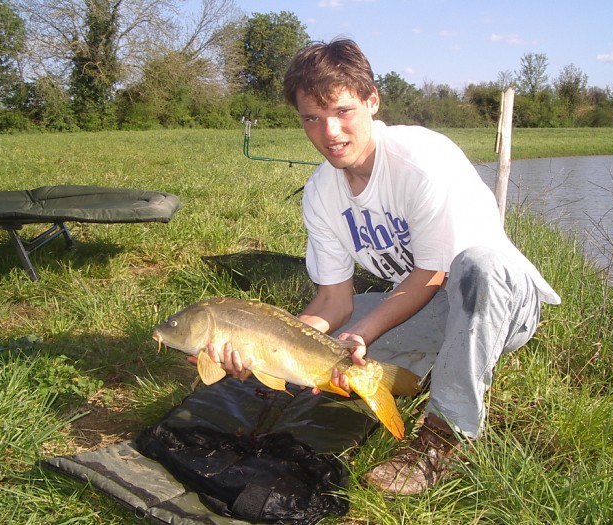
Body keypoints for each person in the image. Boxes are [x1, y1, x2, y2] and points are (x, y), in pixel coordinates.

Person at [207, 38, 560, 495]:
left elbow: (434, 274)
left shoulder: (420, 160)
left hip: (498, 303)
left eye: (343, 111)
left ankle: (445, 438)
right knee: (317, 349)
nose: (329, 132)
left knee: (479, 263)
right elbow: (333, 300)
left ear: (373, 101)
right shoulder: (321, 193)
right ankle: (423, 372)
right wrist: (262, 346)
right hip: (427, 309)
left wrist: (363, 334)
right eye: (311, 118)